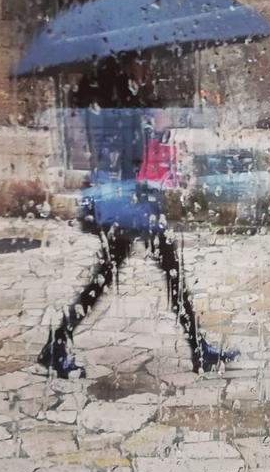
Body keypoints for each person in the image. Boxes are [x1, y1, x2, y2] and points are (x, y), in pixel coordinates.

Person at [38, 111, 238, 378]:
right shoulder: (118, 108)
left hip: (129, 203)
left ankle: (57, 344)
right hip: (128, 206)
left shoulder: (123, 107)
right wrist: (152, 130)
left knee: (113, 276)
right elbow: (124, 156)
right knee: (163, 273)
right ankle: (199, 350)